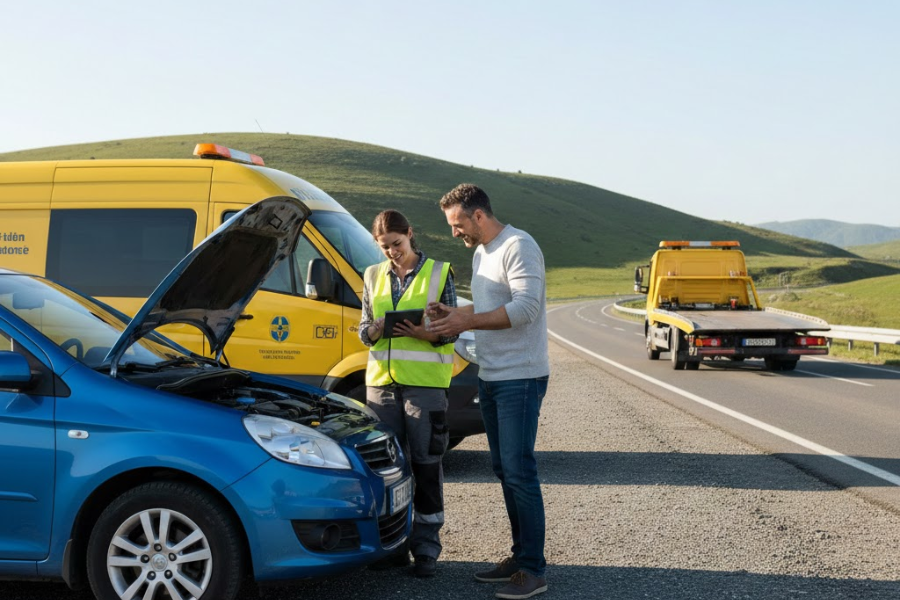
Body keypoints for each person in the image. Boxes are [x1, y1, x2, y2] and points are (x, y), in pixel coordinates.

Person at [427, 184, 550, 600]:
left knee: (520, 472)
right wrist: (453, 313)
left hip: (521, 376)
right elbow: (484, 306)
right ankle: (519, 558)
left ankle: (533, 570)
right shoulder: (481, 253)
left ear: (477, 215)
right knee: (505, 471)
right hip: (493, 375)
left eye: (457, 223)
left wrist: (467, 323)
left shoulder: (519, 246)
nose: (454, 233)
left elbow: (525, 308)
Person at [359, 209, 458, 578]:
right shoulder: (372, 275)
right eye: (384, 247)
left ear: (410, 234)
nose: (392, 253)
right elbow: (362, 331)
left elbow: (451, 330)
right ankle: (394, 546)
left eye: (397, 245)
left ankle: (427, 548)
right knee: (388, 470)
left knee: (426, 465)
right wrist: (376, 329)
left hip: (425, 386)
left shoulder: (440, 272)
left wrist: (426, 333)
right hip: (381, 386)